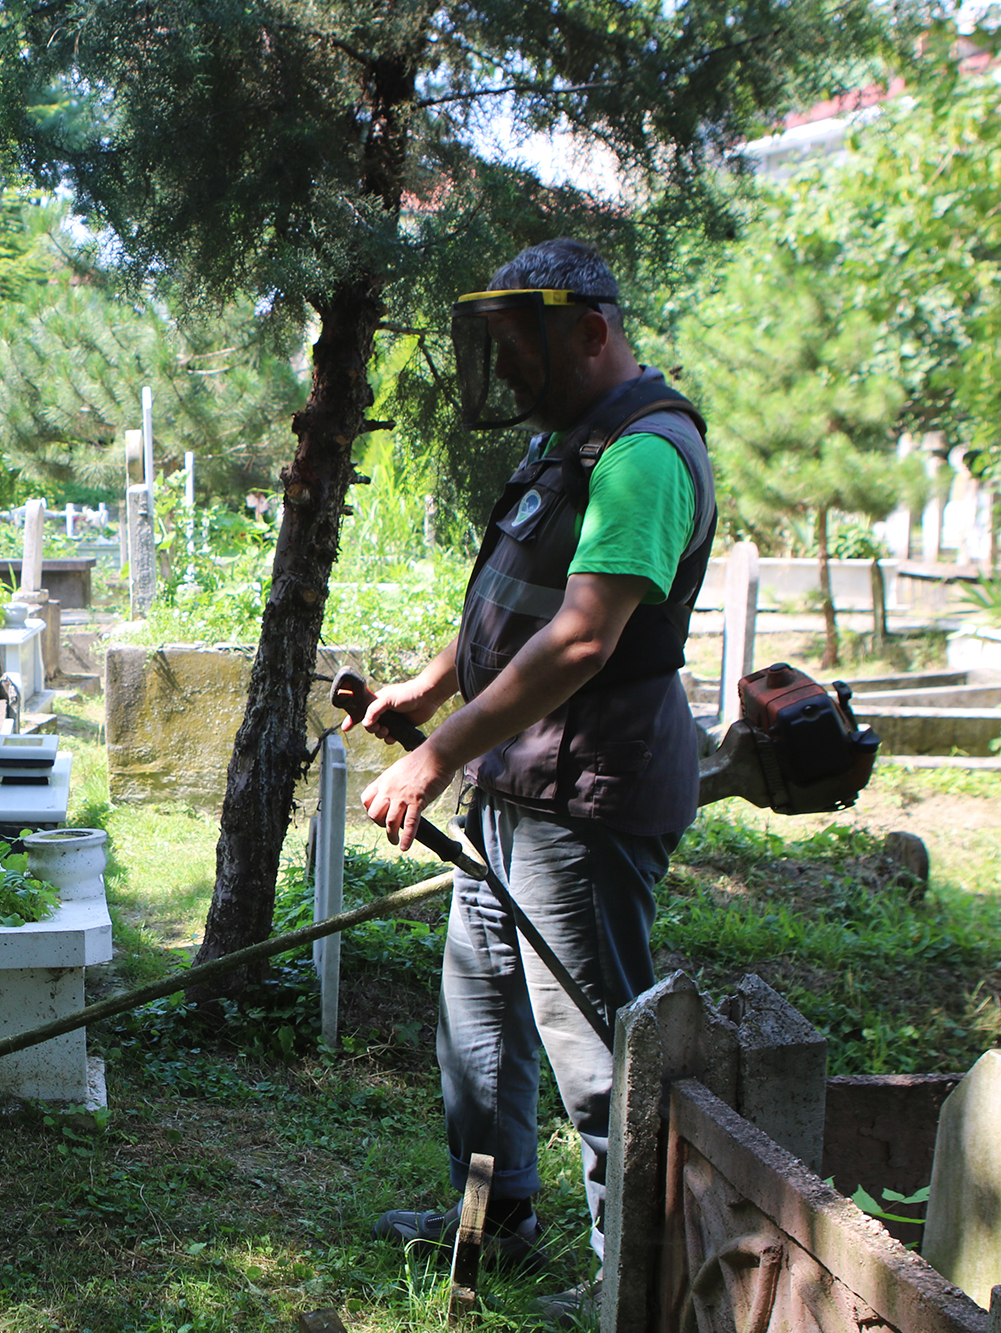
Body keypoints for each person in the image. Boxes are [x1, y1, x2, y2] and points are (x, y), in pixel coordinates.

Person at [344, 239, 716, 1322]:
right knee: (478, 1024)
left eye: (517, 352)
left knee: (598, 1053)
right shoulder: (570, 443)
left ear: (590, 332)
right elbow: (515, 603)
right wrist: (424, 689)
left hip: (586, 792)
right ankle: (494, 1213)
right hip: (521, 782)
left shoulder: (642, 456)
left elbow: (577, 640)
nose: (504, 375)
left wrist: (436, 752)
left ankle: (626, 1278)